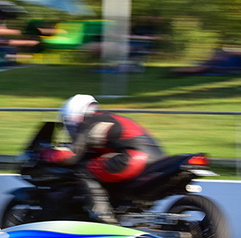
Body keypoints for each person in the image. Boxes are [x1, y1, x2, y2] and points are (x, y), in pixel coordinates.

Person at [39, 94, 164, 223]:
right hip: (155, 159)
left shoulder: (89, 122)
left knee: (85, 171)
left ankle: (102, 216)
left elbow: (71, 156)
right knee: (101, 167)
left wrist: (47, 153)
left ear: (73, 114)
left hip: (133, 157)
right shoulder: (107, 118)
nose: (69, 128)